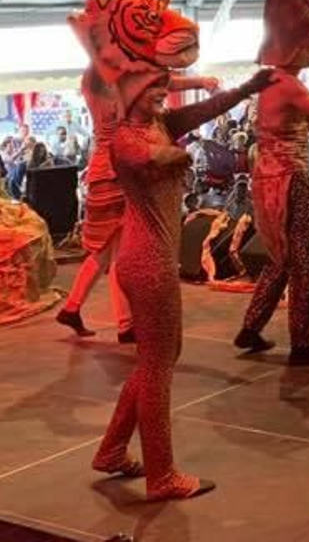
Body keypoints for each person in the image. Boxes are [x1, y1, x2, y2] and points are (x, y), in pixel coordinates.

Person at [92, 49, 272, 501]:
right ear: (131, 92)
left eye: (164, 85)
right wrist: (178, 155)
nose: (161, 92)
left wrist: (248, 88)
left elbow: (207, 108)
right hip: (146, 261)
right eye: (153, 86)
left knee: (163, 356)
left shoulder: (158, 124)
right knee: (157, 366)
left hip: (152, 258)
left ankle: (113, 450)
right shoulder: (126, 140)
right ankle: (162, 475)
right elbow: (156, 160)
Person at [58, 0, 218, 342]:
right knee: (118, 250)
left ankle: (79, 309)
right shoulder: (103, 76)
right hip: (116, 166)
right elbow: (155, 83)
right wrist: (198, 82)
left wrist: (196, 81)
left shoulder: (101, 75)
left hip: (105, 165)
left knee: (108, 250)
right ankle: (124, 324)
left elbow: (155, 81)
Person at [235, 0, 309, 364]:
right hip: (289, 178)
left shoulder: (269, 82)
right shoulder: (288, 84)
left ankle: (251, 327)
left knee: (281, 258)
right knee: (308, 258)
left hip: (267, 177)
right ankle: (301, 344)